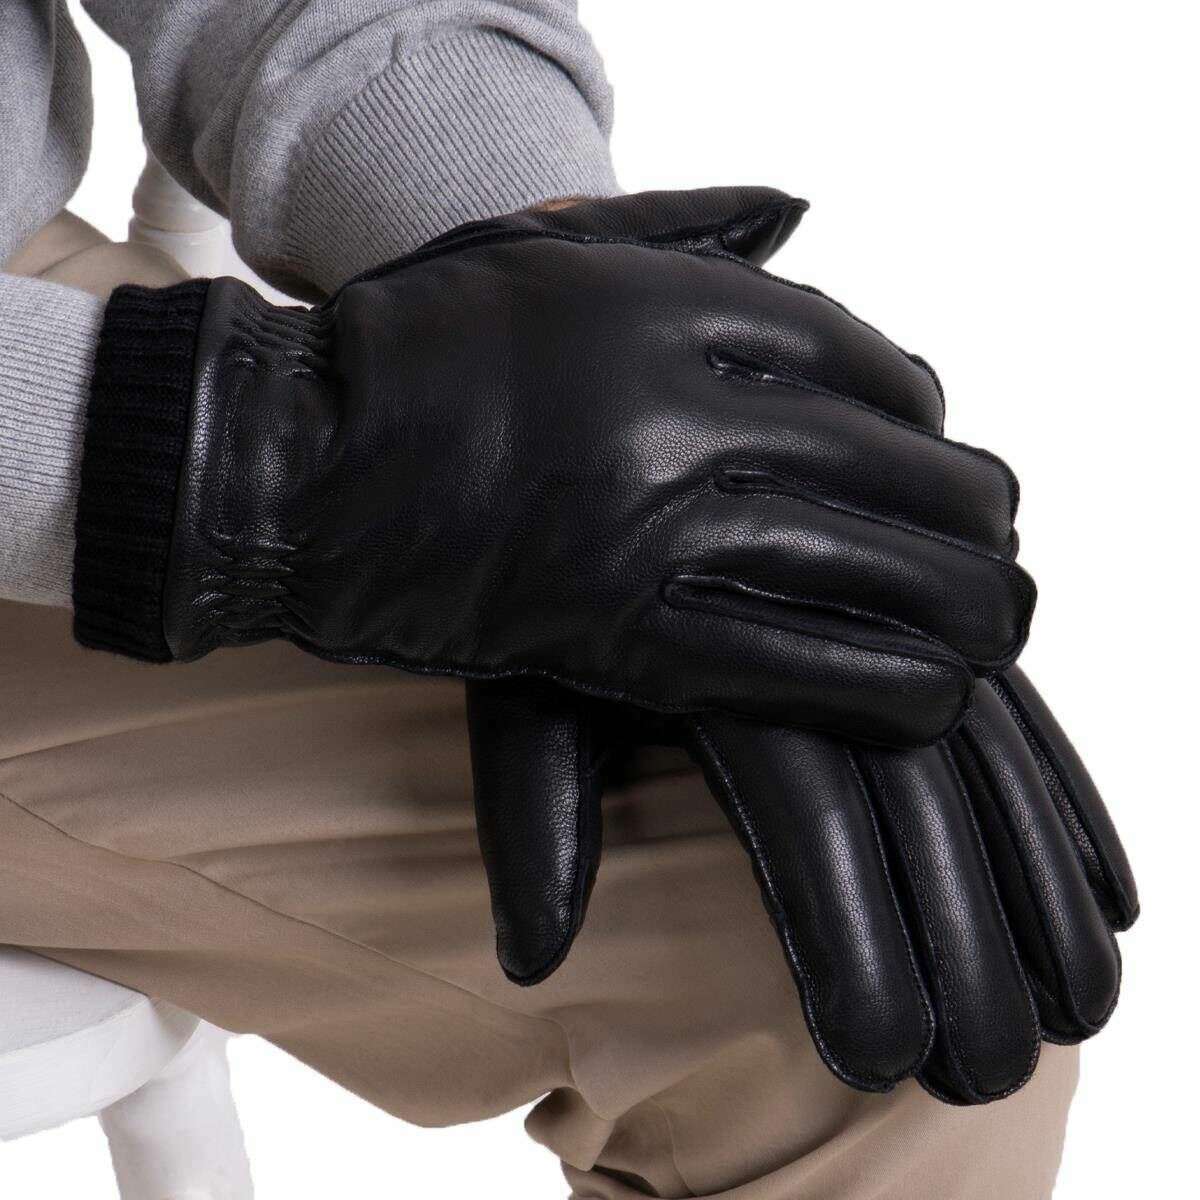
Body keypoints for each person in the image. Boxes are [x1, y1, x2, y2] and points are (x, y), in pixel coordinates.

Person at [0, 3, 1134, 1197]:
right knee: (819, 979)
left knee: (895, 951)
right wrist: (235, 457)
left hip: (51, 313)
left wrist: (541, 302)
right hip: (114, 422)